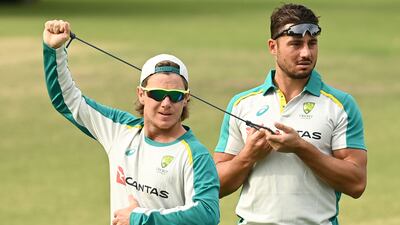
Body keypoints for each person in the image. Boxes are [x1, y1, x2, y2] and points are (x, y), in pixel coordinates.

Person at [42, 20, 220, 225]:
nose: (166, 103)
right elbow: (66, 101)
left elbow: (207, 214)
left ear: (186, 99)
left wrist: (140, 218)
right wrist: (54, 50)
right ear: (141, 94)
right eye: (157, 94)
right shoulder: (119, 130)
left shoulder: (195, 155)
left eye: (175, 95)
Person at [214, 3, 367, 225]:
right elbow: (214, 186)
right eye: (295, 44)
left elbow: (356, 183)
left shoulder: (341, 105)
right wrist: (248, 156)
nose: (306, 53)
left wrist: (301, 147)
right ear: (272, 46)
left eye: (312, 43)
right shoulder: (242, 104)